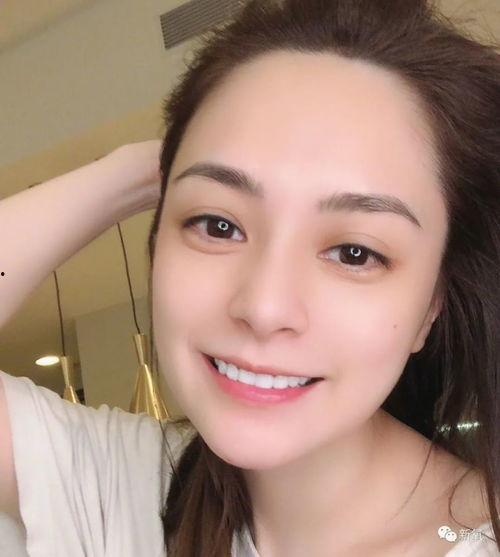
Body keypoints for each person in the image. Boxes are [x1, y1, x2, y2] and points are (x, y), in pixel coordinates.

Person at [0, 0, 499, 555]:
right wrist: (141, 169)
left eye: (354, 253)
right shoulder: (122, 489)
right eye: (218, 224)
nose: (264, 307)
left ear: (430, 307)